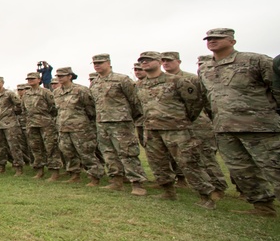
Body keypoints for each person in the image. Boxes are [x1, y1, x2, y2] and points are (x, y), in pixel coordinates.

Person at [199, 28, 280, 216]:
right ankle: (263, 206)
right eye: (209, 39)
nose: (212, 41)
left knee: (274, 168)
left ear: (232, 41)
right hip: (224, 127)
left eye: (218, 38)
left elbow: (276, 87)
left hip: (260, 126)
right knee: (241, 170)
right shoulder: (205, 68)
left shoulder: (255, 60)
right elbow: (207, 98)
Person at [135, 52, 222, 204]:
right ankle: (168, 191)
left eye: (148, 60)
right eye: (142, 61)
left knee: (189, 162)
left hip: (177, 129)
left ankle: (206, 196)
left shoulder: (177, 81)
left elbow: (194, 104)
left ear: (159, 62)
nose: (144, 63)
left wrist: (182, 120)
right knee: (158, 163)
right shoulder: (140, 85)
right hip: (152, 130)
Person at [90, 54, 147, 195]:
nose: (97, 65)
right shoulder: (95, 83)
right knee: (108, 153)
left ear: (108, 63)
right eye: (95, 63)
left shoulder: (122, 79)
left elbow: (135, 101)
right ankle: (116, 181)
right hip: (102, 122)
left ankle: (137, 183)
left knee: (127, 152)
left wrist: (128, 117)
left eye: (100, 62)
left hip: (121, 122)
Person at [53, 67, 105, 185]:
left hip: (80, 128)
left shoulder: (81, 90)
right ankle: (74, 174)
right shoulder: (56, 92)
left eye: (62, 76)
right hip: (63, 127)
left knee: (86, 152)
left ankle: (95, 176)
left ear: (70, 76)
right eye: (58, 76)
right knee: (68, 152)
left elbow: (91, 109)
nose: (59, 78)